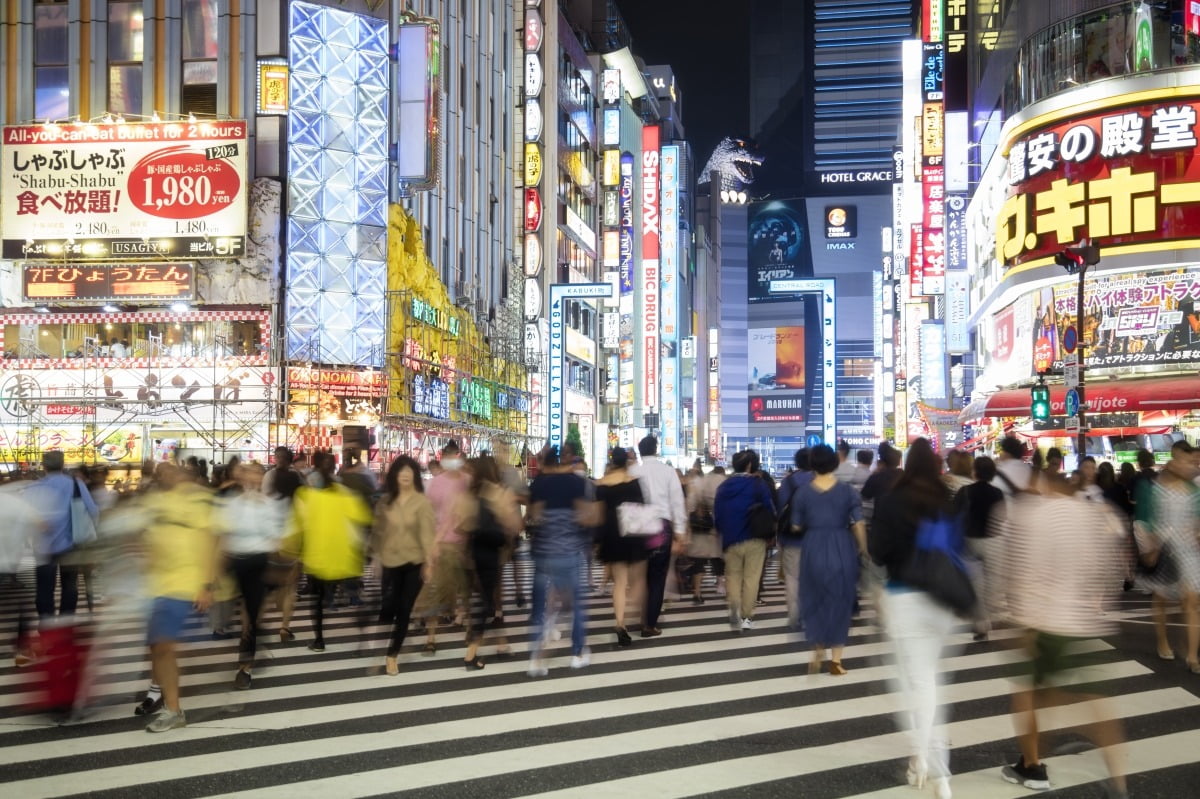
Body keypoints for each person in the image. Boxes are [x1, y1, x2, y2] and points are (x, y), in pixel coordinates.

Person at [998, 460, 1128, 795]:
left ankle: (1032, 767)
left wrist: (1020, 622)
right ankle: (1119, 778)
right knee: (1091, 701)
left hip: (1042, 622)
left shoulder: (1029, 515)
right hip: (1081, 622)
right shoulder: (1089, 514)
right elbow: (1110, 566)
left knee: (1027, 697)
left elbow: (1019, 573)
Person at [870, 438, 963, 799]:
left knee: (916, 687)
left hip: (904, 597)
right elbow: (956, 549)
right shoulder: (947, 500)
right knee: (930, 683)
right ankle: (927, 765)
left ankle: (929, 765)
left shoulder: (893, 500)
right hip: (941, 600)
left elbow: (878, 552)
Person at [138, 462, 220, 732]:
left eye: (172, 471)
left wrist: (207, 585)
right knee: (157, 649)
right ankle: (163, 697)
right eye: (161, 472)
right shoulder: (155, 501)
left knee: (163, 646)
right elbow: (145, 539)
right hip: (156, 584)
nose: (167, 475)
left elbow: (212, 541)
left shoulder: (198, 499)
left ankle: (173, 710)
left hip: (185, 584)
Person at [790, 443, 866, 675]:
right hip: (841, 545)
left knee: (814, 597)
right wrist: (863, 548)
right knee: (840, 599)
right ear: (834, 463)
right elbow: (859, 524)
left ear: (812, 464)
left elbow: (795, 525)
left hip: (813, 546)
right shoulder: (847, 492)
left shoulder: (803, 492)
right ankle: (836, 661)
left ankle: (817, 647)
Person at [286, 452, 372, 652]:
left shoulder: (305, 494)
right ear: (334, 468)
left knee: (317, 601)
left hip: (317, 558)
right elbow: (363, 517)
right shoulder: (344, 492)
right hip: (345, 555)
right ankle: (362, 637)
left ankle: (319, 640)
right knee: (353, 595)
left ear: (313, 467)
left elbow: (296, 525)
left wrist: (292, 553)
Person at [527, 445, 597, 675]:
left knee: (541, 608)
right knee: (576, 606)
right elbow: (587, 518)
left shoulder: (539, 484)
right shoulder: (576, 483)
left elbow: (533, 518)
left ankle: (537, 659)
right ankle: (577, 653)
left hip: (543, 553)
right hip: (569, 552)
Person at [1133, 440, 1200, 671]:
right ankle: (1163, 641)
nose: (1191, 465)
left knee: (1191, 600)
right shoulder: (1158, 486)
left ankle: (1192, 655)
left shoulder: (1194, 489)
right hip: (1165, 547)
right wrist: (1152, 546)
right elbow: (1150, 518)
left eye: (1192, 461)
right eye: (1186, 460)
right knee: (1161, 597)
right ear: (1174, 460)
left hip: (1189, 550)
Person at [216, 462, 284, 689]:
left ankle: (244, 668)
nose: (254, 479)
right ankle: (253, 640)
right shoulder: (232, 503)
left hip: (258, 562)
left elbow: (275, 537)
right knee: (241, 615)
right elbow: (223, 533)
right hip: (235, 562)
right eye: (250, 474)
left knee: (249, 617)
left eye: (259, 475)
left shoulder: (269, 504)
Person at [371, 456, 435, 676]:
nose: (405, 475)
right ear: (395, 475)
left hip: (414, 562)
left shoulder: (422, 502)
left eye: (409, 471)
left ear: (415, 476)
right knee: (390, 606)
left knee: (405, 608)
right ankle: (390, 637)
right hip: (390, 560)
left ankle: (392, 654)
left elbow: (428, 534)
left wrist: (429, 562)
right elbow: (378, 532)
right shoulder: (385, 502)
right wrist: (376, 558)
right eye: (401, 471)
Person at [461, 455, 521, 670]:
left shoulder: (471, 493)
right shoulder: (498, 492)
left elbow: (462, 522)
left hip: (474, 551)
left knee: (485, 599)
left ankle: (497, 643)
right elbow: (515, 525)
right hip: (493, 553)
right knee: (488, 602)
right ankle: (471, 653)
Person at [26, 451, 98, 623]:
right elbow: (93, 511)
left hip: (43, 547)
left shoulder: (34, 487)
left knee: (44, 589)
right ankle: (65, 626)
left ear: (44, 466)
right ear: (63, 464)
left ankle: (46, 627)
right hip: (71, 545)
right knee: (70, 587)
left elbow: (26, 516)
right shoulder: (76, 484)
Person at [629, 435, 687, 638]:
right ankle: (649, 624)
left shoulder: (633, 471)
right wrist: (680, 532)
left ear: (640, 450)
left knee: (639, 574)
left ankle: (638, 616)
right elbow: (677, 502)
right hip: (661, 526)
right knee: (657, 577)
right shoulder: (667, 471)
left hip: (637, 527)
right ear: (656, 449)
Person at [714, 449, 775, 632]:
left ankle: (734, 606)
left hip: (731, 538)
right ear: (750, 465)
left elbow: (717, 515)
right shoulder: (758, 485)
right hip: (755, 537)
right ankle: (746, 617)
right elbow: (769, 509)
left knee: (733, 576)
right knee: (751, 578)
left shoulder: (723, 487)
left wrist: (722, 531)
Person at [420, 440, 472, 653]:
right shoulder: (436, 483)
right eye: (448, 456)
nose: (451, 460)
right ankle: (431, 638)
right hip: (442, 543)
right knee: (435, 591)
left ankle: (469, 632)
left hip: (464, 544)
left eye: (454, 456)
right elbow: (429, 512)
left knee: (466, 591)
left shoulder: (468, 480)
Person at [596, 447, 650, 646]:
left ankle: (620, 622)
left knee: (619, 582)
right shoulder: (634, 483)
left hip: (612, 534)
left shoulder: (602, 484)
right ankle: (637, 614)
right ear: (626, 462)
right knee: (638, 579)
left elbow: (599, 513)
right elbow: (642, 508)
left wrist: (598, 538)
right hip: (632, 533)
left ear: (612, 462)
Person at [954, 456, 1006, 640]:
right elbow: (1003, 517)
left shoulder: (965, 491)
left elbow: (953, 513)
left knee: (975, 583)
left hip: (970, 540)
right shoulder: (998, 493)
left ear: (974, 471)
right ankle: (988, 614)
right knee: (992, 582)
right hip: (993, 540)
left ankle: (980, 621)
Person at [775, 449, 814, 629]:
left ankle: (794, 614)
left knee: (792, 577)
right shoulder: (822, 481)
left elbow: (779, 508)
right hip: (817, 537)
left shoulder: (788, 482)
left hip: (792, 538)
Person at [684, 464, 726, 605]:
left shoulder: (697, 484)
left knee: (698, 562)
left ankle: (697, 591)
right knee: (706, 560)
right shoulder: (717, 484)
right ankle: (704, 589)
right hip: (708, 528)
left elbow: (689, 505)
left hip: (696, 528)